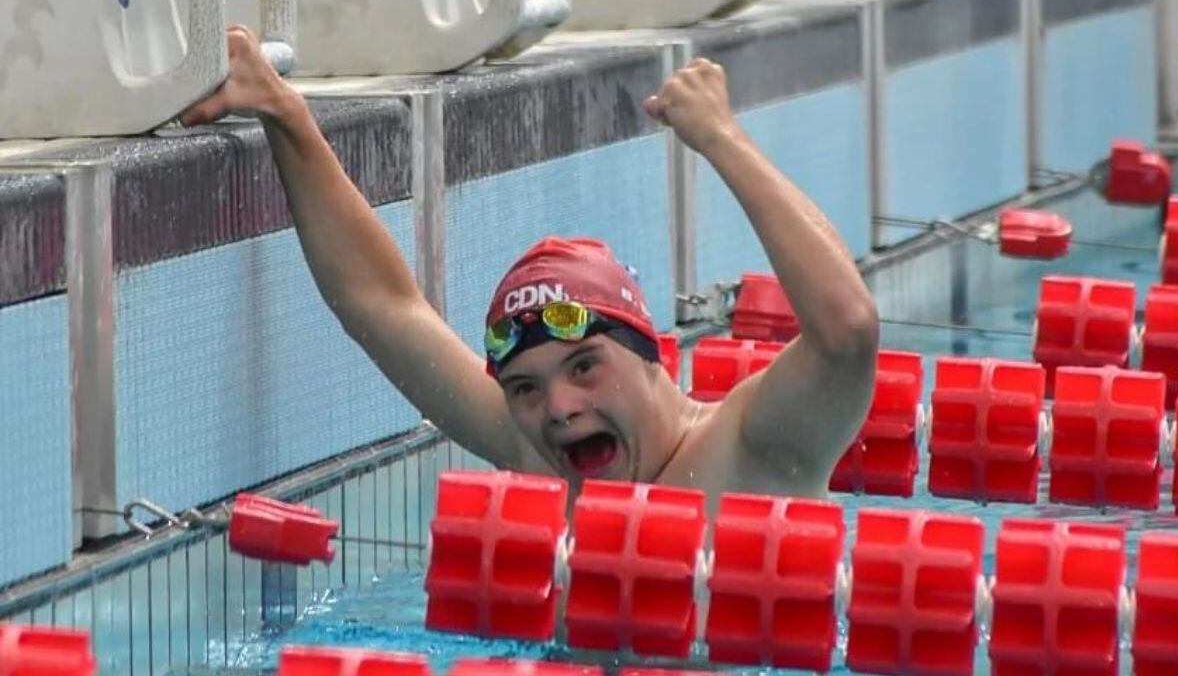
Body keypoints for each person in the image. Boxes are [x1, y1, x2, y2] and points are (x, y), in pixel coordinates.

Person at [182, 26, 880, 505]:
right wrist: (286, 115)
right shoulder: (536, 455)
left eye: (584, 366)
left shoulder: (758, 447)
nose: (560, 411)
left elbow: (846, 329)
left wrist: (723, 140)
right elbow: (381, 304)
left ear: (652, 352)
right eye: (524, 388)